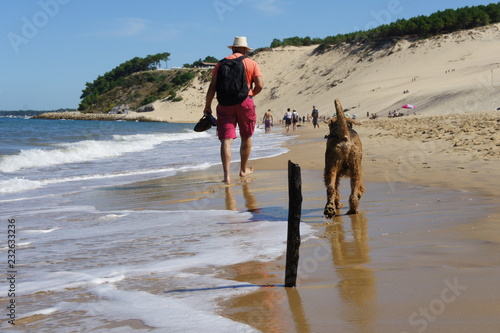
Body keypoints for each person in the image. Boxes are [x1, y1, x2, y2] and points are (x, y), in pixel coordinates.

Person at [204, 36, 264, 183]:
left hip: (224, 104)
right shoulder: (251, 63)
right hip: (245, 103)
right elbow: (260, 85)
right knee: (246, 137)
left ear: (233, 48)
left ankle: (227, 177)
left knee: (226, 140)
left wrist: (207, 106)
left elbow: (212, 87)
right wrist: (250, 94)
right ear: (245, 49)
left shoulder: (220, 63)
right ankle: (243, 170)